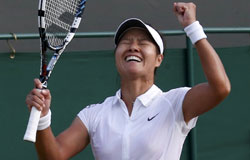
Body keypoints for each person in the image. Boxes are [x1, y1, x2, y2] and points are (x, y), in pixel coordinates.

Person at [25, 2, 231, 160]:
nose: (133, 47)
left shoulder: (175, 103)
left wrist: (192, 28)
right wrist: (43, 118)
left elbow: (220, 88)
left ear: (159, 59)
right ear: (116, 56)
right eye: (125, 42)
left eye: (143, 43)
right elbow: (54, 155)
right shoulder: (94, 115)